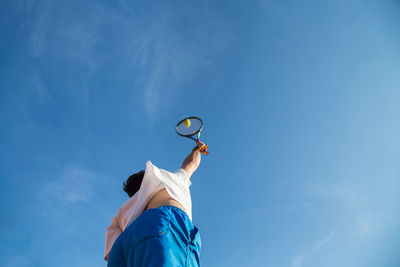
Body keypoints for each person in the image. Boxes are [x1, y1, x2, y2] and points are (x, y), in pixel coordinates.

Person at [104, 142, 206, 266]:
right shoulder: (166, 178)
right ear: (147, 177)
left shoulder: (122, 212)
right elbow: (191, 163)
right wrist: (198, 149)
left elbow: (111, 254)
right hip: (160, 223)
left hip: (122, 244)